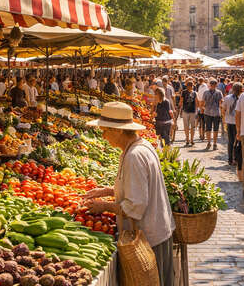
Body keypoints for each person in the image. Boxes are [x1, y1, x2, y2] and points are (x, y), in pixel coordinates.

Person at [81, 102, 175, 286]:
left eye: (105, 131)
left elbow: (135, 206)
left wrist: (104, 206)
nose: (103, 136)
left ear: (119, 131)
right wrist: (108, 190)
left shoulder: (134, 156)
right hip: (157, 232)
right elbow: (139, 186)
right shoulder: (141, 146)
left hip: (148, 241)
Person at [222, 82, 242, 167]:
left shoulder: (227, 98)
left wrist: (224, 119)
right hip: (239, 123)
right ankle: (236, 158)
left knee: (230, 141)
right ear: (240, 90)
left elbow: (223, 109)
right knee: (237, 141)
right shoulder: (241, 99)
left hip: (229, 121)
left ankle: (230, 159)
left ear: (232, 89)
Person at [201, 78, 223, 150]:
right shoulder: (219, 92)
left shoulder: (206, 92)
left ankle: (210, 143)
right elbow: (221, 102)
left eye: (213, 84)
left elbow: (202, 102)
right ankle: (213, 143)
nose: (213, 85)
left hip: (209, 112)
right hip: (214, 112)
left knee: (209, 128)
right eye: (212, 84)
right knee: (213, 129)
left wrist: (202, 109)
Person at [179, 79, 198, 146]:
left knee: (188, 126)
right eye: (189, 86)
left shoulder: (194, 93)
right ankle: (189, 139)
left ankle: (190, 139)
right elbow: (181, 102)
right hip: (188, 111)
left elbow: (196, 102)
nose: (189, 87)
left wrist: (179, 109)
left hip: (188, 111)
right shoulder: (185, 92)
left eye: (190, 86)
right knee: (189, 126)